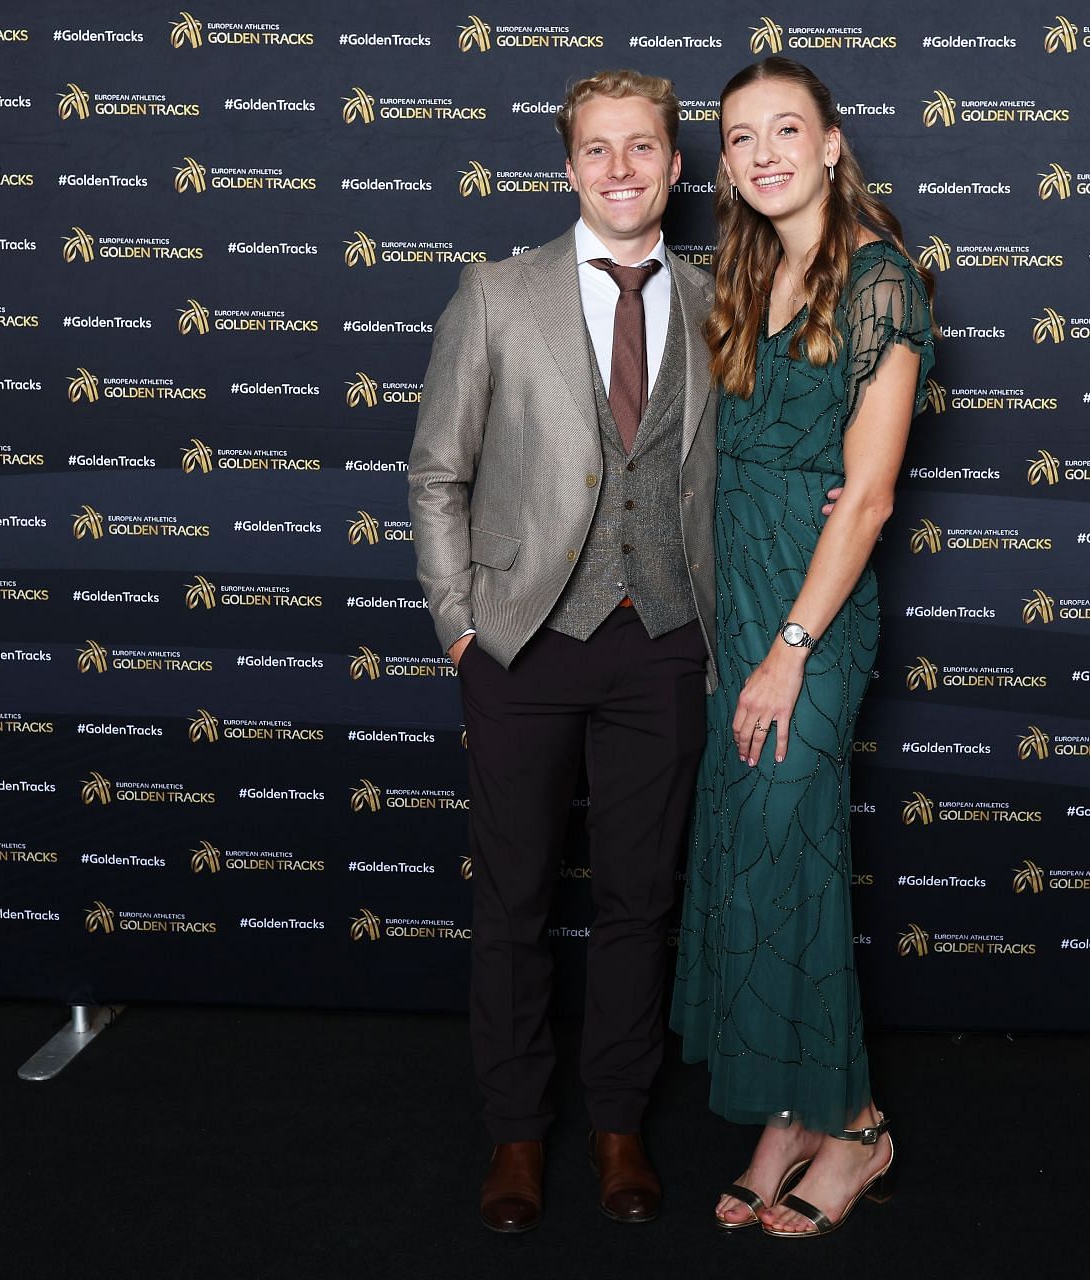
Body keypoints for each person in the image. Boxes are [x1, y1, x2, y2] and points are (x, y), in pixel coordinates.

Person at [407, 69, 716, 1234]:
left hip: (669, 642)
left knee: (641, 900)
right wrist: (461, 622)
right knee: (516, 904)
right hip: (524, 643)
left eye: (644, 149)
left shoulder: (714, 297)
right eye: (598, 150)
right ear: (570, 165)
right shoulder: (496, 294)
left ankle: (620, 1124)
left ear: (677, 168)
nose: (622, 169)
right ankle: (518, 1133)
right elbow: (438, 470)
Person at [669, 56, 934, 1240]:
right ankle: (788, 1108)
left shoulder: (880, 280)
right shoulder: (746, 270)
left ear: (832, 142)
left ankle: (859, 1122)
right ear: (722, 161)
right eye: (740, 136)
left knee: (794, 846)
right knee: (747, 860)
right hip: (742, 602)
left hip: (809, 620)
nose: (764, 151)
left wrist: (786, 648)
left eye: (788, 128)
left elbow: (868, 498)